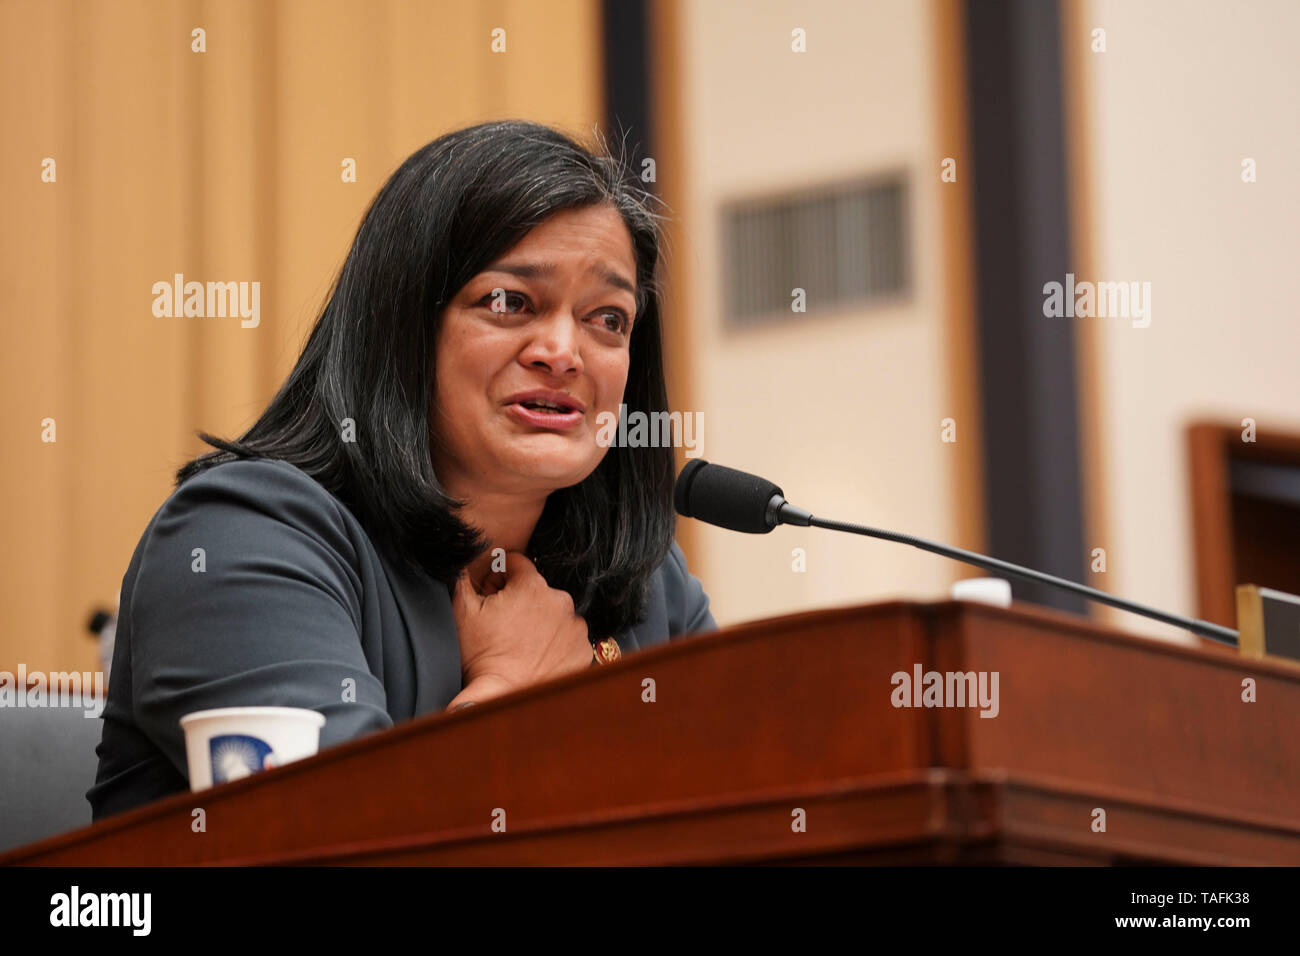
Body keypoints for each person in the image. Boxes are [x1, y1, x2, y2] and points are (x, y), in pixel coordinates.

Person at [87, 120, 716, 819]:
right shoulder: (239, 538)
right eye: (508, 301)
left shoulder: (649, 582)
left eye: (608, 318)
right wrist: (512, 692)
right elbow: (335, 839)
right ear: (403, 325)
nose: (564, 351)